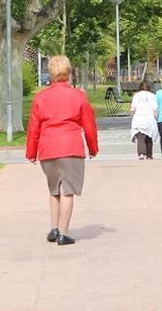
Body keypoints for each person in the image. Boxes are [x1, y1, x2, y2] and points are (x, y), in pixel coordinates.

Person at [25, 55, 99, 246]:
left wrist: (31, 152)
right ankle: (64, 233)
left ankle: (54, 227)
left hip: (47, 148)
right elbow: (89, 124)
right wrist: (93, 147)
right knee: (67, 190)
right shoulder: (78, 96)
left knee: (54, 189)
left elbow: (34, 127)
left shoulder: (40, 97)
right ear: (69, 73)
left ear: (50, 73)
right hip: (70, 147)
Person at [128, 81, 158, 159]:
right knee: (149, 137)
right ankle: (149, 155)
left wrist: (132, 116)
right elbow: (155, 109)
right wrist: (156, 117)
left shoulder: (136, 95)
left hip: (138, 119)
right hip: (149, 119)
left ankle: (141, 154)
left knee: (140, 137)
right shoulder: (152, 96)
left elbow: (132, 109)